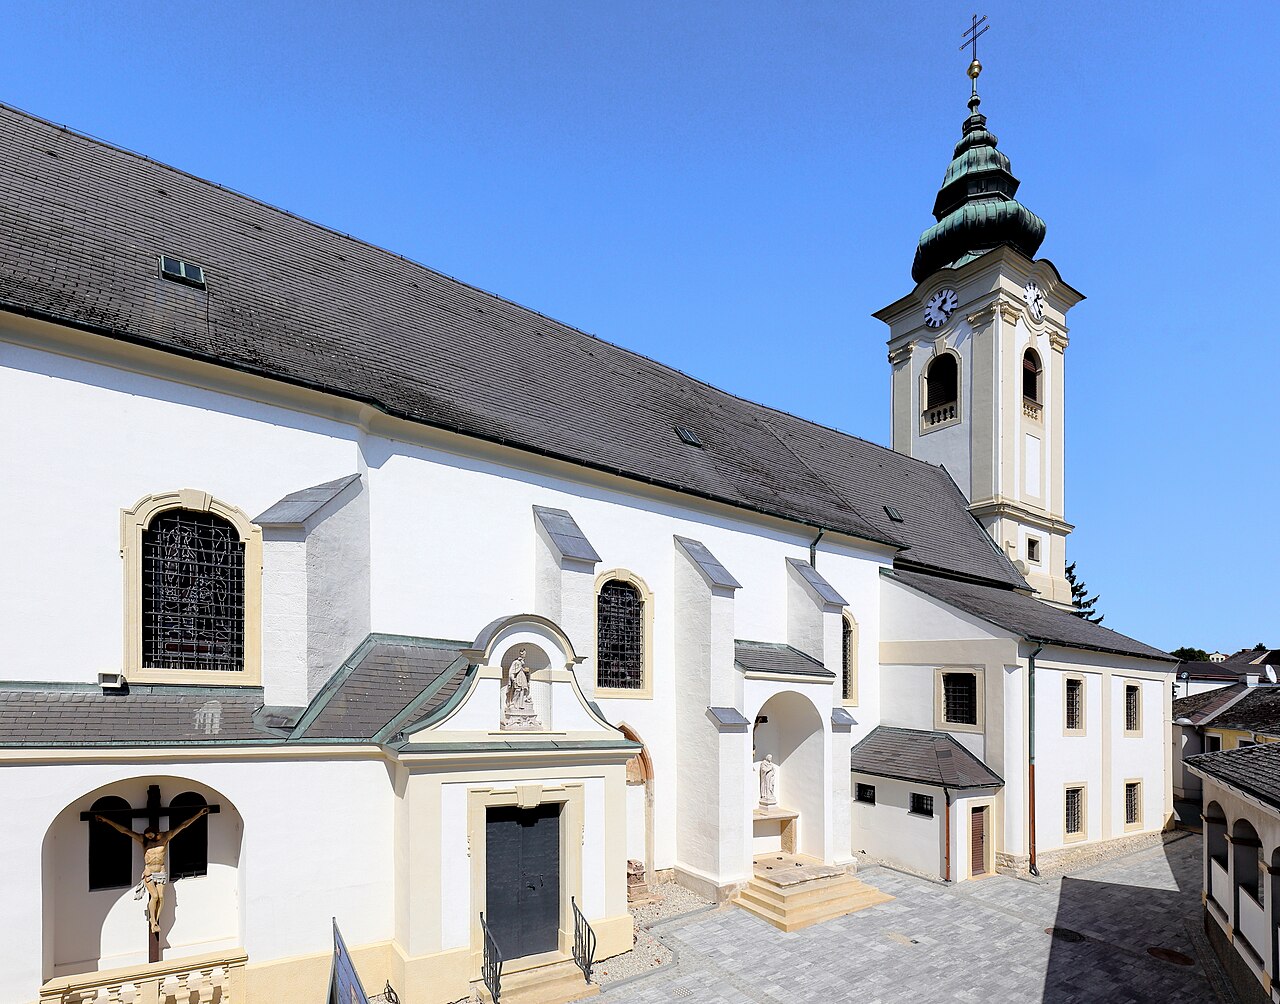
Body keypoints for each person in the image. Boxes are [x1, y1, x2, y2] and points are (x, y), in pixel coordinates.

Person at [94, 806, 210, 934]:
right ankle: (153, 921)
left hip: (161, 871)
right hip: (149, 872)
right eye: (147, 836)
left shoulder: (166, 837)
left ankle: (156, 920)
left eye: (151, 836)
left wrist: (199, 814)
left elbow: (183, 826)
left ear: (157, 834)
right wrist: (106, 820)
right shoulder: (143, 840)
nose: (149, 838)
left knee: (161, 896)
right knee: (154, 896)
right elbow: (125, 831)